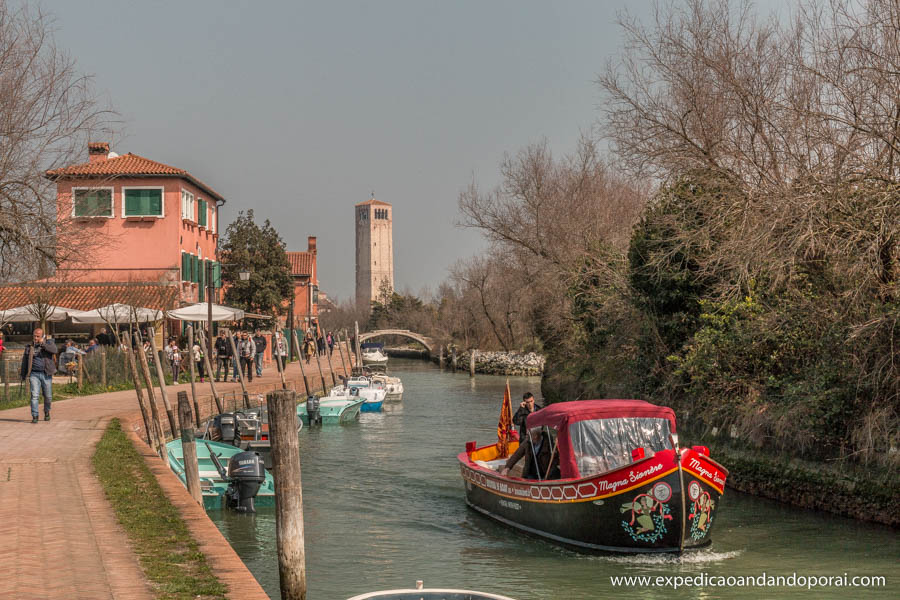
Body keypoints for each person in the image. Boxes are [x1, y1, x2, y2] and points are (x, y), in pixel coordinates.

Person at [20, 328, 58, 423]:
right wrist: (23, 374)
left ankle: (46, 411)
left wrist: (43, 344)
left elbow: (55, 350)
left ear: (43, 336)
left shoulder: (49, 343)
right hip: (34, 374)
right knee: (34, 395)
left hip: (46, 373)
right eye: (34, 336)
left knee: (48, 396)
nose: (36, 338)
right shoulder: (29, 347)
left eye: (38, 336)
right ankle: (35, 415)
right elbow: (25, 361)